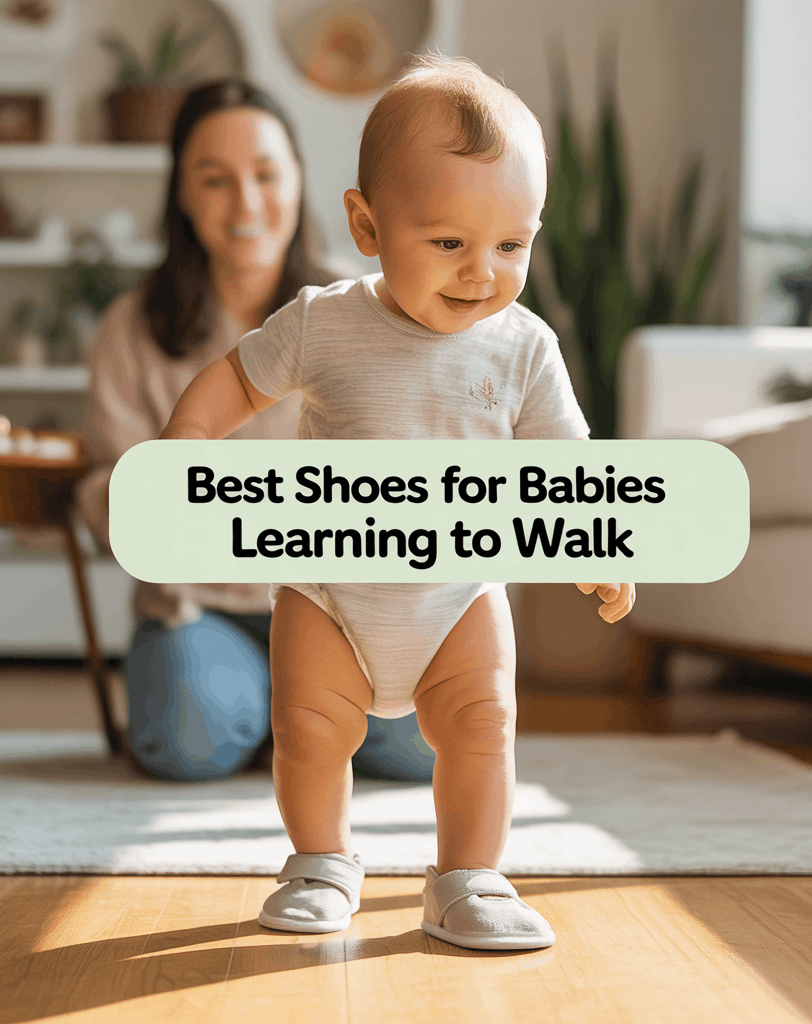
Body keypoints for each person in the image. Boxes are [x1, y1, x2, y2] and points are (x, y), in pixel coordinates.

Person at [160, 56, 636, 950]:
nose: (481, 273)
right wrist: (189, 443)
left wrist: (594, 546)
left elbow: (567, 465)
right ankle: (321, 860)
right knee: (306, 728)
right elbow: (236, 379)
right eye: (449, 243)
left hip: (459, 595)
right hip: (329, 593)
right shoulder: (324, 319)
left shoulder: (526, 347)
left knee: (486, 725)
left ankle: (470, 877)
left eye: (512, 245)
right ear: (368, 225)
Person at [77, 79, 436, 785]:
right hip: (200, 614)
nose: (245, 203)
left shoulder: (367, 309)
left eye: (266, 176)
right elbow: (106, 486)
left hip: (347, 610)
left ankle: (291, 715)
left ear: (299, 181)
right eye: (214, 179)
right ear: (181, 192)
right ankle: (282, 713)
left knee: (430, 744)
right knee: (188, 739)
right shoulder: (133, 325)